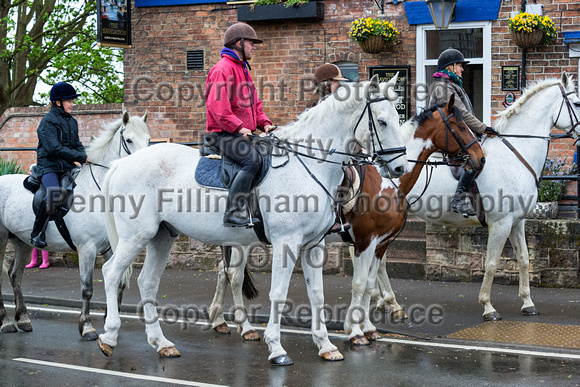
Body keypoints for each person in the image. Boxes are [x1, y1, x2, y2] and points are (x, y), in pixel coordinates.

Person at [205, 22, 276, 228]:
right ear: (239, 43)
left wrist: (264, 123)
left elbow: (254, 104)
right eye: (251, 43)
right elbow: (217, 106)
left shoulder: (242, 69)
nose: (254, 47)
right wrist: (237, 126)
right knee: (252, 161)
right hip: (222, 134)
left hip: (240, 133)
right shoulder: (222, 69)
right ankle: (233, 212)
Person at [427, 47, 497, 217]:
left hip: (452, 132)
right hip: (444, 135)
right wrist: (482, 128)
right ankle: (459, 199)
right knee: (475, 159)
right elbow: (462, 113)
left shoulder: (452, 84)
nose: (463, 69)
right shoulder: (443, 86)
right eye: (460, 65)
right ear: (450, 67)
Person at [30, 82, 88, 248]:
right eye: (69, 101)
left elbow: (76, 144)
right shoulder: (47, 122)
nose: (72, 104)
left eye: (72, 101)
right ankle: (36, 233)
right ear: (58, 102)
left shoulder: (72, 121)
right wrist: (79, 156)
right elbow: (54, 148)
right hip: (49, 166)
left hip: (67, 166)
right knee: (55, 194)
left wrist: (84, 156)